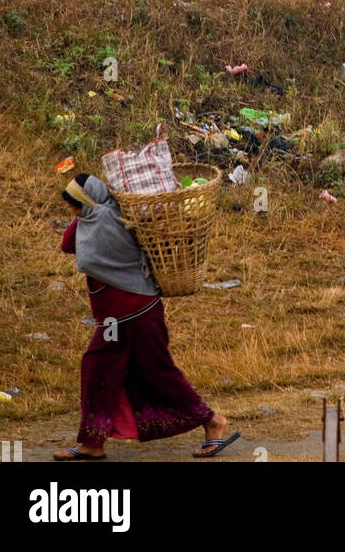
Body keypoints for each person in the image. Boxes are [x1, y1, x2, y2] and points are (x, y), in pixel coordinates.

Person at [54, 173, 239, 461]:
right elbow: (69, 243)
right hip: (119, 317)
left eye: (75, 206)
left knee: (154, 373)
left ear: (86, 201)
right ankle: (93, 442)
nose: (74, 213)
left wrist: (84, 214)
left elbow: (72, 247)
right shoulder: (99, 217)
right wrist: (83, 213)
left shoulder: (105, 221)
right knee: (104, 370)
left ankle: (212, 421)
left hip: (135, 314)